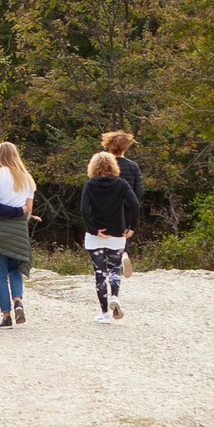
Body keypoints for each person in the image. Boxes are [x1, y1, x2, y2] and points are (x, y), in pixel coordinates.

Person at [79, 150, 144, 323]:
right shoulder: (121, 183)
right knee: (114, 269)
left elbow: (84, 210)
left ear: (93, 167)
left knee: (100, 273)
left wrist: (93, 229)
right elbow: (135, 204)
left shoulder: (90, 185)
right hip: (117, 233)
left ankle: (104, 314)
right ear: (113, 166)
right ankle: (115, 296)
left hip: (96, 235)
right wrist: (132, 227)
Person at [0, 141, 38, 328]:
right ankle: (18, 301)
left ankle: (6, 315)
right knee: (15, 269)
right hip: (19, 229)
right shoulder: (27, 178)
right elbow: (28, 209)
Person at [102, 129, 144, 281]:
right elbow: (139, 189)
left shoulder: (105, 165)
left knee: (106, 235)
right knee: (124, 233)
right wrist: (133, 204)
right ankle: (124, 255)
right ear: (126, 147)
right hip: (127, 205)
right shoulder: (133, 166)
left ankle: (109, 265)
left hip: (108, 206)